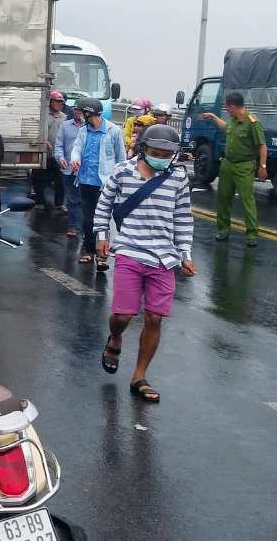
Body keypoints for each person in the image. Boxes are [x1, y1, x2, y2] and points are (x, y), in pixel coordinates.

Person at [94, 124, 195, 403]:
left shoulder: (178, 178)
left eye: (167, 153)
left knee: (154, 317)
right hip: (129, 251)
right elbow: (104, 206)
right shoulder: (122, 172)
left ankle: (139, 375)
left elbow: (183, 219)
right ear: (144, 149)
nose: (161, 157)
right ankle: (115, 338)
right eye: (156, 152)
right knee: (123, 316)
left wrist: (185, 254)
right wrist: (102, 236)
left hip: (164, 257)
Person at [201, 92, 268, 246]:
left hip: (244, 165)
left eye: (227, 107)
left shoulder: (252, 122)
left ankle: (252, 235)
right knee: (223, 197)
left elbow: (262, 146)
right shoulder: (233, 119)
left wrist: (262, 166)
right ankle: (223, 230)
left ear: (232, 106)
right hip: (227, 164)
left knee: (247, 200)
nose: (226, 110)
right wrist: (212, 116)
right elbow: (225, 127)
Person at [69, 97, 125, 270]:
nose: (80, 114)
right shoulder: (84, 131)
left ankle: (102, 256)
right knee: (88, 219)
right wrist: (75, 159)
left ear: (89, 113)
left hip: (105, 184)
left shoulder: (113, 131)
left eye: (82, 112)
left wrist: (120, 181)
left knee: (103, 220)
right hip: (86, 180)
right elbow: (77, 148)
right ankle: (89, 251)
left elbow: (121, 158)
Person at [32, 90, 68, 211]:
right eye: (57, 101)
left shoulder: (64, 118)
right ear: (50, 102)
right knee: (39, 178)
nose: (59, 104)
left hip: (58, 155)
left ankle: (59, 203)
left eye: (61, 102)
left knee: (60, 180)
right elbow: (36, 130)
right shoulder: (43, 116)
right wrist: (43, 140)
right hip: (44, 153)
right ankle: (39, 201)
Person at [54, 105, 85, 237]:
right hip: (69, 170)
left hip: (86, 171)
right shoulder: (65, 126)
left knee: (85, 201)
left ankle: (86, 228)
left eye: (81, 110)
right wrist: (60, 158)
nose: (78, 112)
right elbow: (59, 145)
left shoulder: (89, 127)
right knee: (72, 200)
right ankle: (74, 227)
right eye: (76, 109)